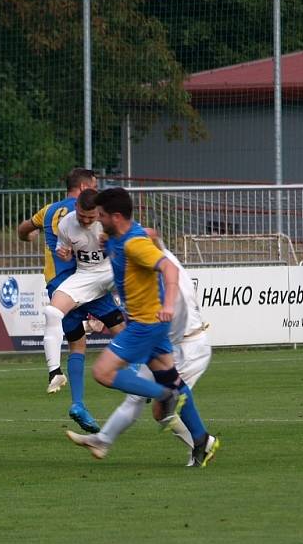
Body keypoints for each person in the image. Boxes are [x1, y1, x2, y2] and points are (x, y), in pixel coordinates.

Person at [69, 186, 220, 467]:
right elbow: (150, 233)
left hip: (145, 325)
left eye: (101, 215)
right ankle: (201, 440)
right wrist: (107, 240)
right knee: (171, 378)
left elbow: (169, 269)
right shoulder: (121, 235)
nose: (97, 219)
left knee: (102, 372)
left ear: (115, 216)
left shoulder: (133, 244)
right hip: (154, 327)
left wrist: (169, 305)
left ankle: (164, 396)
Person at [17, 168, 123, 433]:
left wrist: (28, 236)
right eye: (95, 184)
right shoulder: (97, 214)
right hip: (83, 283)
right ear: (85, 187)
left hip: (62, 284)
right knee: (122, 330)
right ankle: (142, 381)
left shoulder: (49, 211)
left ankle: (75, 399)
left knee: (77, 344)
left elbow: (24, 229)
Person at [43, 188, 126, 432]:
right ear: (76, 207)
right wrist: (64, 252)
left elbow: (133, 244)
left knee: (126, 328)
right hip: (85, 280)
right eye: (82, 216)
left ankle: (139, 377)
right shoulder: (67, 223)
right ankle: (58, 378)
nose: (86, 221)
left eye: (91, 217)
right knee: (64, 326)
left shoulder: (110, 221)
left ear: (99, 212)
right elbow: (65, 251)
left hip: (108, 276)